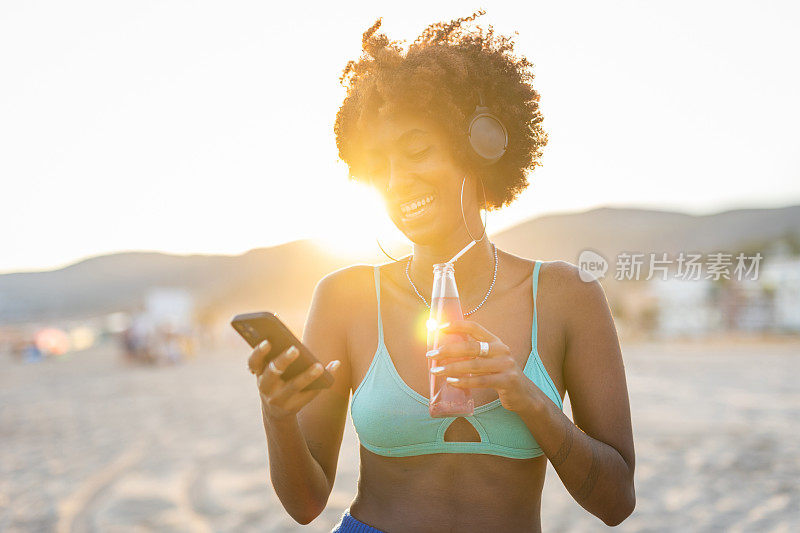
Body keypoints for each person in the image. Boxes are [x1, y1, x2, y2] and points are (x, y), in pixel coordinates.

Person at [247, 11, 635, 532]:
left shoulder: (567, 295)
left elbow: (616, 503)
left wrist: (528, 399)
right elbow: (305, 504)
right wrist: (278, 418)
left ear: (482, 147)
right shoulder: (346, 297)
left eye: (416, 152)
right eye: (378, 165)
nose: (397, 180)